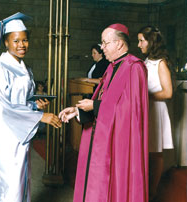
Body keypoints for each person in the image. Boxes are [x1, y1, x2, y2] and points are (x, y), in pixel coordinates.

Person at [59, 23, 149, 202]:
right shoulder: (111, 68)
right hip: (102, 139)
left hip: (120, 143)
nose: (102, 48)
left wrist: (94, 106)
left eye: (105, 43)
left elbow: (131, 111)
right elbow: (103, 101)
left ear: (119, 44)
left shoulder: (134, 68)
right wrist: (78, 111)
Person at [0, 12, 62, 202]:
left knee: (21, 180)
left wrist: (35, 105)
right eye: (16, 41)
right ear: (6, 42)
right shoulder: (1, 71)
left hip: (19, 133)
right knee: (10, 184)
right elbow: (3, 108)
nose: (22, 45)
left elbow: (19, 102)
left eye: (25, 40)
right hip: (6, 136)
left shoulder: (23, 68)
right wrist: (39, 117)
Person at [138, 25, 173, 201]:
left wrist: (146, 96)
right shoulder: (145, 62)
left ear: (150, 42)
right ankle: (145, 189)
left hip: (156, 109)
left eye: (141, 41)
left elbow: (168, 92)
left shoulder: (160, 63)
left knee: (155, 152)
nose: (139, 45)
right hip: (145, 109)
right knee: (145, 151)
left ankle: (152, 192)